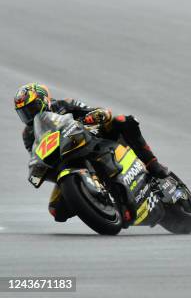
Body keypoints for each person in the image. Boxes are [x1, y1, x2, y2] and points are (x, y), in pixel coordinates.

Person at [14, 83, 169, 222]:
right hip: (64, 161)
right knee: (56, 210)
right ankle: (92, 200)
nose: (29, 115)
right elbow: (36, 153)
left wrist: (94, 116)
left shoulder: (64, 104)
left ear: (43, 101)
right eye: (24, 112)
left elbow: (92, 110)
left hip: (90, 139)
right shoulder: (28, 135)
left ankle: (152, 163)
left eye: (32, 108)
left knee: (123, 121)